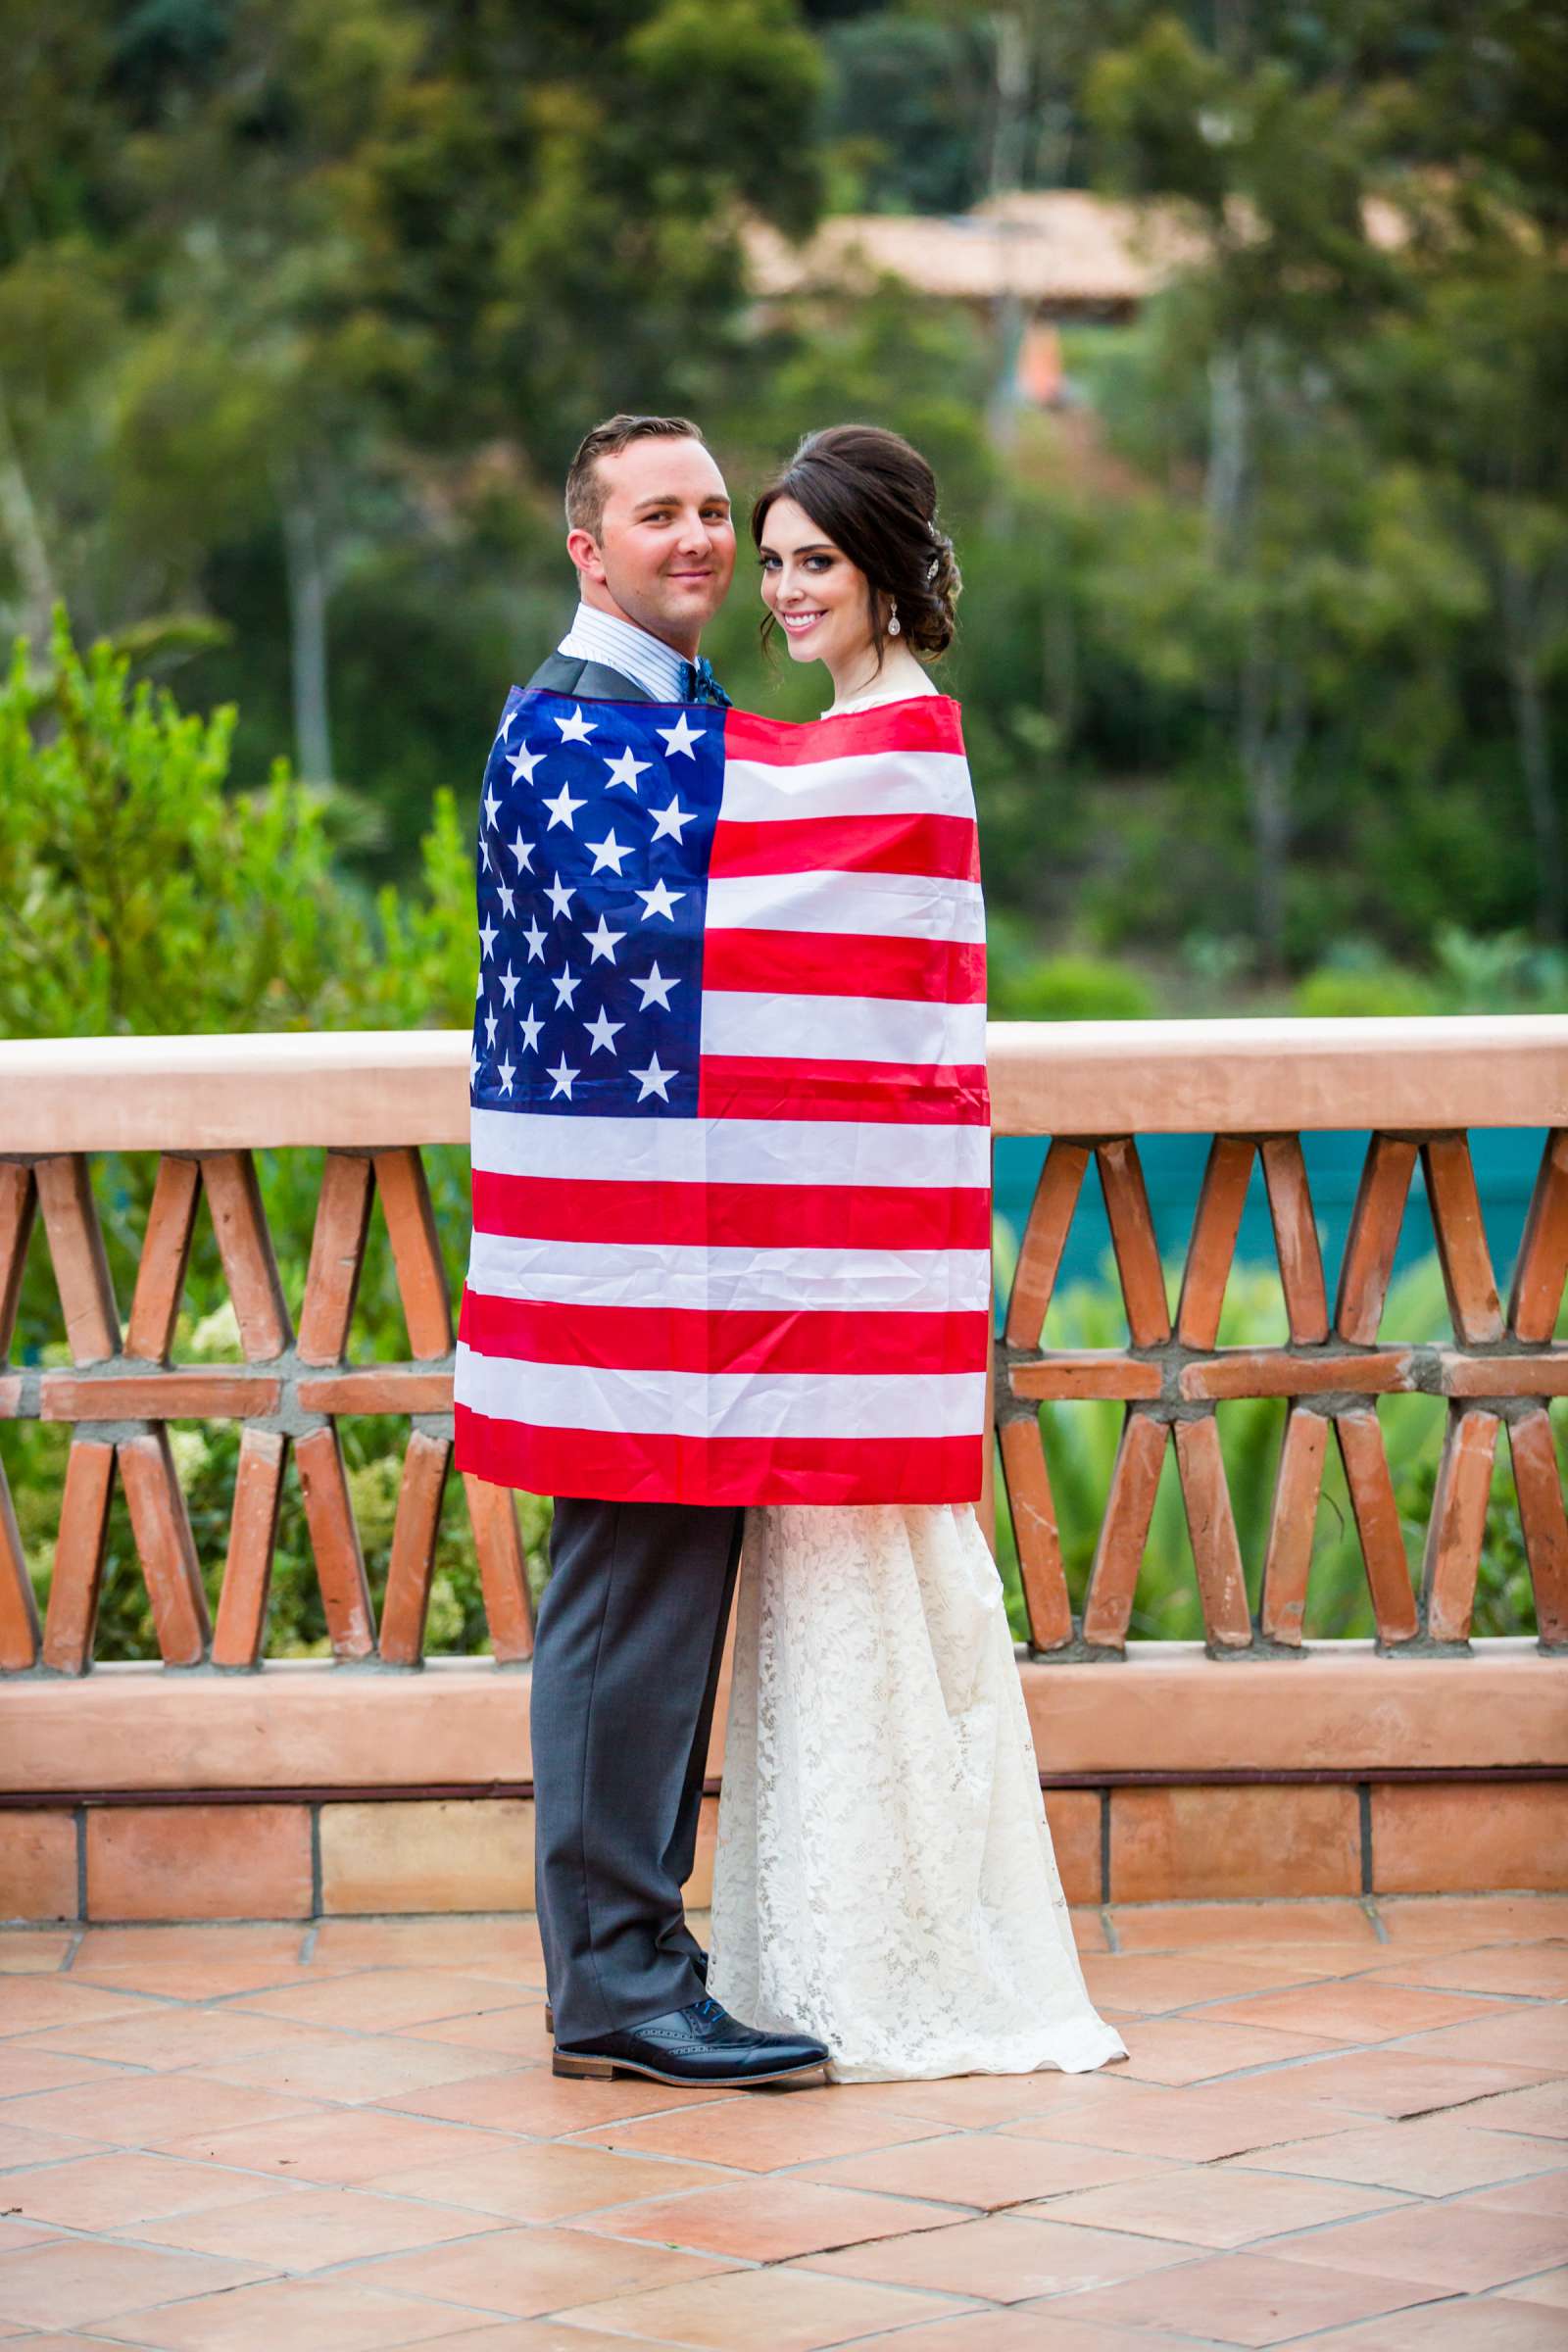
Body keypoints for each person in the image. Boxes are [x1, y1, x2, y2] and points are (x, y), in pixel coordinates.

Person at [705, 425, 1127, 2082]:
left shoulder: (900, 754)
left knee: (881, 1585)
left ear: (884, 567)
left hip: (864, 1264)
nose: (789, 588)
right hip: (798, 1257)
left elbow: (880, 1018)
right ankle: (804, 1945)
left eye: (818, 559)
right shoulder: (817, 748)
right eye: (778, 560)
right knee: (811, 1600)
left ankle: (899, 1960)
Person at [512, 412, 828, 2089]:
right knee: (624, 1601)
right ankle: (615, 1980)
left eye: (717, 511)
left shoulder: (688, 717)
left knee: (659, 1596)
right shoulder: (568, 731)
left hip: (689, 1250)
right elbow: (688, 935)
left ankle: (639, 1955)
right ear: (589, 550)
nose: (700, 540)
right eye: (661, 516)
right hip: (626, 1260)